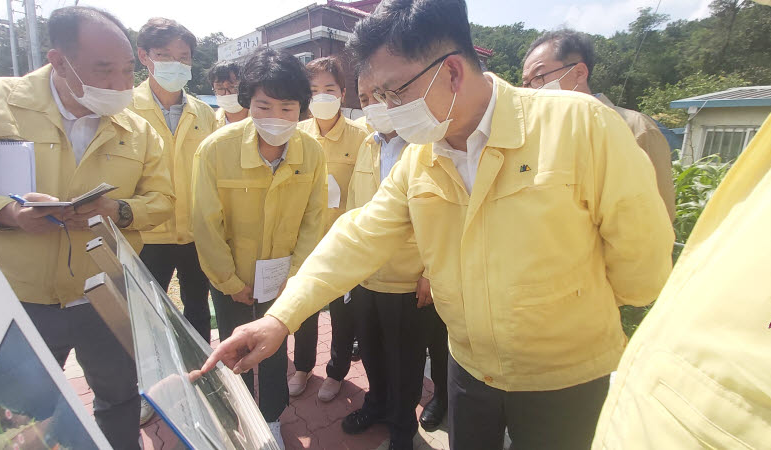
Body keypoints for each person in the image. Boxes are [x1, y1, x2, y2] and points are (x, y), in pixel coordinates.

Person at [200, 0, 673, 449]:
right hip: (468, 371)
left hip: (568, 379)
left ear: (450, 70)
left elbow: (642, 266)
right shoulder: (421, 157)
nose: (384, 107)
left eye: (393, 92)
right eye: (377, 96)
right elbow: (360, 236)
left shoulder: (580, 126)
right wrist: (280, 318)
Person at [592, 0, 771, 448]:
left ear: (578, 70)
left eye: (541, 75)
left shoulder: (631, 128)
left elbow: (653, 222)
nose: (532, 86)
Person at [0, 6, 174, 450]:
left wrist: (118, 210)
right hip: (20, 298)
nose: (120, 84)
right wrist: (8, 214)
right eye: (103, 70)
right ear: (58, 61)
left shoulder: (136, 128)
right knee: (18, 415)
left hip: (105, 294)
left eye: (128, 69)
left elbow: (163, 200)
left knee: (119, 398)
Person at [191, 47, 327, 443]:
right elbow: (205, 222)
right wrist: (229, 280)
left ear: (302, 109)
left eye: (287, 109)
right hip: (231, 278)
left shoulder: (311, 152)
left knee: (271, 349)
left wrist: (294, 277)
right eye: (264, 106)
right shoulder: (216, 149)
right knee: (234, 348)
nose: (276, 119)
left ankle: (270, 419)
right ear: (247, 102)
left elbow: (313, 219)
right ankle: (237, 415)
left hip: (282, 279)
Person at [335, 72, 437, 449]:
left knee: (406, 361)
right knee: (373, 353)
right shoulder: (367, 145)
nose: (372, 105)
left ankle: (401, 428)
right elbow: (352, 209)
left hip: (408, 280)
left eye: (378, 95)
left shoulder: (428, 146)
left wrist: (431, 271)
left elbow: (444, 218)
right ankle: (376, 404)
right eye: (363, 98)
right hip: (366, 275)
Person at [522, 29, 675, 221]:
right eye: (525, 84)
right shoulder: (538, 138)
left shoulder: (634, 128)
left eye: (538, 78)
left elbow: (658, 218)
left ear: (579, 73)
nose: (530, 91)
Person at [130, 17, 218, 343]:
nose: (175, 65)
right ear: (144, 56)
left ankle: (200, 374)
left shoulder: (204, 114)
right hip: (145, 236)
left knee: (197, 308)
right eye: (165, 55)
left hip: (196, 234)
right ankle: (156, 385)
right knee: (146, 313)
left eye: (184, 58)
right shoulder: (124, 110)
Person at [289, 56, 370, 403]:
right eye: (314, 90)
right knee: (303, 308)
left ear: (343, 93)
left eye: (329, 89)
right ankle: (304, 366)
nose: (322, 96)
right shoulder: (295, 135)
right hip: (304, 242)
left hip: (342, 246)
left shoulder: (362, 136)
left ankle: (336, 372)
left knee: (343, 314)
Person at [209, 60, 249, 128]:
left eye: (232, 87)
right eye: (220, 89)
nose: (227, 94)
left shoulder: (260, 118)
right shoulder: (211, 123)